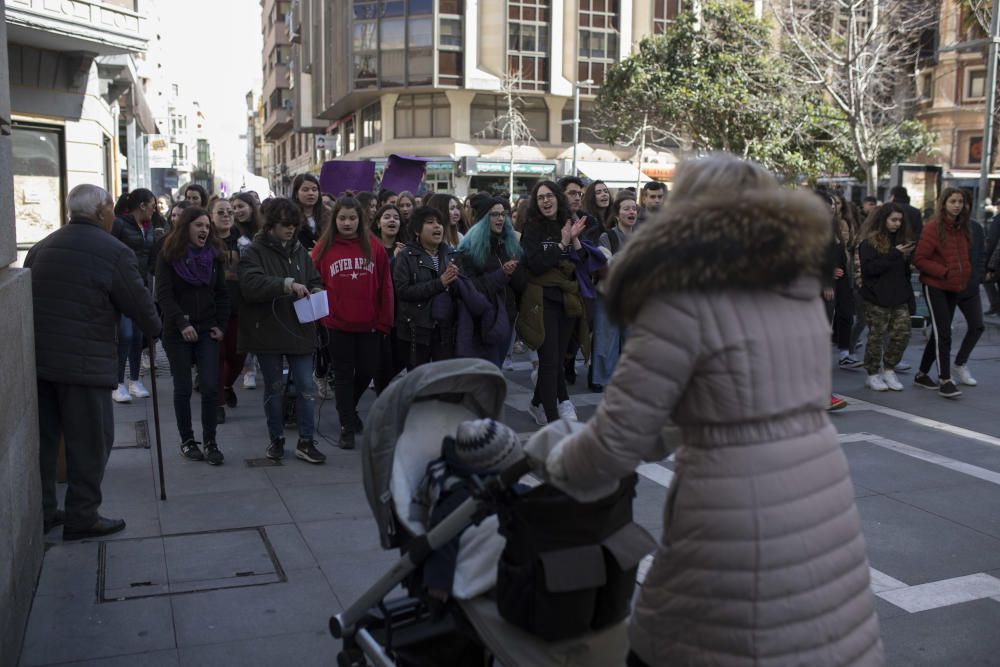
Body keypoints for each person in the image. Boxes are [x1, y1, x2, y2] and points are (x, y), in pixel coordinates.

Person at [535, 154, 882, 667]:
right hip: (822, 491)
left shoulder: (681, 298)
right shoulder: (797, 288)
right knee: (824, 625)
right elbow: (723, 401)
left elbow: (615, 442)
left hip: (734, 512)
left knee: (682, 642)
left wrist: (549, 459)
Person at [27, 184, 161, 539]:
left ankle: (43, 511)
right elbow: (139, 302)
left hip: (40, 362)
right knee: (90, 441)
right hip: (84, 364)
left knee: (45, 440)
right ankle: (82, 515)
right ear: (102, 210)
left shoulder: (41, 247)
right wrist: (155, 327)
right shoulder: (114, 251)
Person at [239, 197, 326, 464]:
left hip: (300, 328)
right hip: (268, 330)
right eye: (285, 225)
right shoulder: (255, 250)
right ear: (271, 225)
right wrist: (286, 284)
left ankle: (307, 441)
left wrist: (315, 290)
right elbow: (250, 284)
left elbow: (313, 279)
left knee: (306, 387)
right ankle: (276, 439)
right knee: (274, 388)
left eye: (294, 225)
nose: (290, 230)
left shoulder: (300, 250)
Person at [312, 197, 394, 450]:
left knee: (368, 370)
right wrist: (319, 322)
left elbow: (385, 286)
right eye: (342, 218)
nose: (347, 223)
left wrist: (384, 321)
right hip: (336, 326)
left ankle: (348, 409)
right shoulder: (324, 249)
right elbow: (314, 284)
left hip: (369, 324)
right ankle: (346, 425)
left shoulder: (374, 246)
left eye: (352, 218)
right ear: (335, 220)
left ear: (361, 220)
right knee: (344, 375)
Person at [156, 207, 230, 464]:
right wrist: (180, 323)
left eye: (207, 226)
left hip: (207, 328)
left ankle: (210, 441)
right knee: (183, 387)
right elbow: (163, 295)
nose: (204, 230)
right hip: (178, 331)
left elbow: (222, 293)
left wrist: (221, 325)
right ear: (186, 226)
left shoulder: (214, 256)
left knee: (210, 386)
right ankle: (188, 440)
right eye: (199, 225)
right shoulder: (168, 254)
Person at [518, 180, 589, 425]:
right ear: (536, 203)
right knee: (548, 362)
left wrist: (575, 239)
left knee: (559, 361)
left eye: (549, 196)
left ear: (558, 198)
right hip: (542, 299)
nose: (546, 201)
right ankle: (553, 419)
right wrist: (561, 245)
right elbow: (536, 264)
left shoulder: (568, 223)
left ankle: (537, 404)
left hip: (568, 299)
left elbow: (583, 262)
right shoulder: (532, 228)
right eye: (540, 198)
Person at [912, 188, 972, 398]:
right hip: (935, 285)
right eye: (953, 201)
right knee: (944, 332)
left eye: (960, 201)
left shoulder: (962, 227)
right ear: (943, 203)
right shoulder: (933, 228)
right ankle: (945, 379)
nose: (957, 205)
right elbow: (919, 259)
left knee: (940, 331)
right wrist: (944, 272)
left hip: (953, 287)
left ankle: (921, 374)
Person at [457, 196, 526, 367]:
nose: (501, 218)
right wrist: (501, 274)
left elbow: (518, 286)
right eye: (494, 214)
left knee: (497, 366)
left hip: (508, 316)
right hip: (484, 319)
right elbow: (471, 287)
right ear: (483, 219)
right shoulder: (468, 250)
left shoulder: (510, 245)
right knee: (490, 370)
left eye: (503, 214)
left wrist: (518, 271)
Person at [858, 203, 914, 392]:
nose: (897, 224)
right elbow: (870, 269)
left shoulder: (902, 242)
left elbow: (905, 272)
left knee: (903, 334)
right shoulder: (869, 243)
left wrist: (910, 298)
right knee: (876, 336)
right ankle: (872, 374)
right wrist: (895, 254)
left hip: (899, 296)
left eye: (900, 220)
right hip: (876, 297)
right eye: (893, 220)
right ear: (883, 220)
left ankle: (889, 369)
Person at [394, 206, 458, 369]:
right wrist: (440, 283)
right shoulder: (406, 256)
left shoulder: (451, 254)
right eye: (430, 223)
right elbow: (403, 291)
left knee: (443, 381)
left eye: (439, 223)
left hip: (444, 329)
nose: (437, 226)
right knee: (419, 383)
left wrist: (458, 280)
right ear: (417, 230)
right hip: (417, 330)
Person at [111, 188, 157, 403]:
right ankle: (118, 382)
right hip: (122, 286)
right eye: (152, 205)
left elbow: (151, 257)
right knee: (126, 335)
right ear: (142, 205)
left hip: (141, 286)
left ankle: (135, 380)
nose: (154, 209)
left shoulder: (149, 228)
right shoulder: (120, 224)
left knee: (139, 336)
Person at [591, 193, 639, 390]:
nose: (631, 212)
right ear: (617, 214)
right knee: (606, 340)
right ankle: (602, 380)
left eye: (634, 208)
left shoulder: (642, 237)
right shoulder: (607, 236)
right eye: (626, 208)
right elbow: (606, 263)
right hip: (608, 296)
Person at [209, 197, 246, 424]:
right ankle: (218, 403)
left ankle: (226, 385)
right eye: (221, 212)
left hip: (238, 307)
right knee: (218, 356)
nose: (226, 215)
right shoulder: (205, 240)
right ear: (211, 216)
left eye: (230, 212)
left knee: (238, 356)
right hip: (212, 309)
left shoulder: (243, 242)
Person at [231, 193, 262, 390]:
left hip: (260, 284)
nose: (237, 211)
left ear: (251, 207)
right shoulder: (232, 232)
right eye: (234, 208)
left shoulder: (262, 230)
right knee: (244, 328)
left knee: (259, 326)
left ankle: (259, 363)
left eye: (241, 206)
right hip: (239, 286)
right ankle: (248, 369)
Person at [292, 173, 331, 249]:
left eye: (314, 189)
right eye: (305, 190)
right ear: (296, 193)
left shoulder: (329, 214)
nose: (311, 193)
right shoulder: (290, 216)